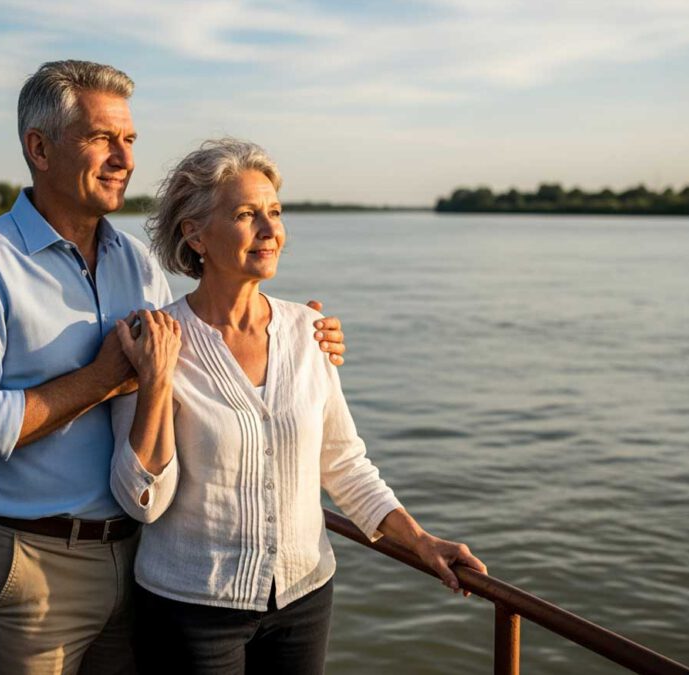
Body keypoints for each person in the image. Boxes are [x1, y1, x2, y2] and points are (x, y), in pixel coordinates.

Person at [0, 62, 346, 675]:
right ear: (39, 148)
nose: (124, 158)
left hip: (142, 560)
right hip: (34, 564)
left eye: (130, 140)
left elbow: (200, 338)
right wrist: (100, 378)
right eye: (101, 138)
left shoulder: (139, 264)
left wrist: (301, 339)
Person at [110, 139, 488, 675]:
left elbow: (344, 464)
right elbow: (142, 502)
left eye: (275, 213)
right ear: (194, 233)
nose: (270, 231)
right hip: (190, 611)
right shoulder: (158, 339)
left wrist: (422, 541)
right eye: (246, 215)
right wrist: (154, 379)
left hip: (305, 599)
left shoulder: (309, 332)